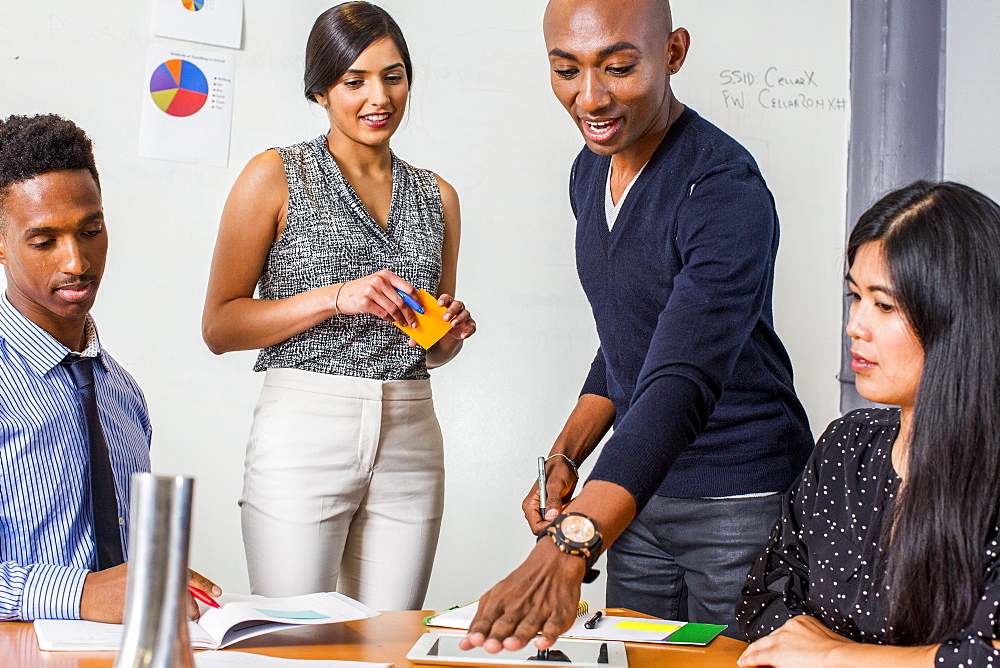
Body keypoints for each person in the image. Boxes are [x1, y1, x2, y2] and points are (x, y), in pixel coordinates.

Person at [462, 0, 812, 652]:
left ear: (674, 52)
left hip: (739, 500)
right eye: (566, 70)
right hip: (635, 496)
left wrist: (571, 545)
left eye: (618, 68)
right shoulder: (589, 169)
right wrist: (568, 454)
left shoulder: (723, 189)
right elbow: (630, 337)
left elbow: (681, 374)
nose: (589, 97)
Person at [202, 2, 475, 611]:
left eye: (393, 75)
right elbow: (219, 325)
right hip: (304, 429)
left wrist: (448, 331)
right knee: (296, 639)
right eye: (354, 81)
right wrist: (336, 298)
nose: (378, 96)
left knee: (390, 639)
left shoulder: (440, 197)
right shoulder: (275, 175)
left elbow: (433, 346)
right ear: (320, 90)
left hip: (411, 433)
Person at [736, 181, 1000, 666]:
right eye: (855, 297)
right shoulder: (847, 444)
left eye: (884, 305)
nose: (855, 324)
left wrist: (834, 655)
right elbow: (764, 593)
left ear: (959, 318)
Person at [0, 113, 219, 623]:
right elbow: (95, 590)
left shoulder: (122, 393)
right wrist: (81, 594)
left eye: (90, 230)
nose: (76, 261)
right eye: (44, 241)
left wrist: (154, 577)